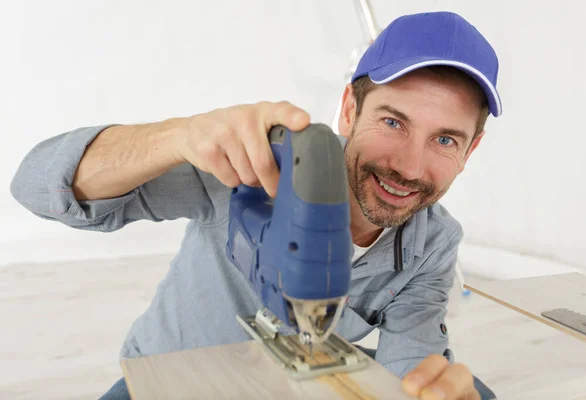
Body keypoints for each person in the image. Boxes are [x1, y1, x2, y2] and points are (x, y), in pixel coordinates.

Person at [11, 11, 501, 400]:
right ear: (350, 110)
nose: (411, 168)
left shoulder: (433, 241)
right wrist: (176, 136)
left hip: (295, 385)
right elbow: (33, 186)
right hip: (172, 381)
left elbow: (411, 361)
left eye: (444, 139)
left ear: (470, 151)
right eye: (393, 122)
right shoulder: (253, 163)